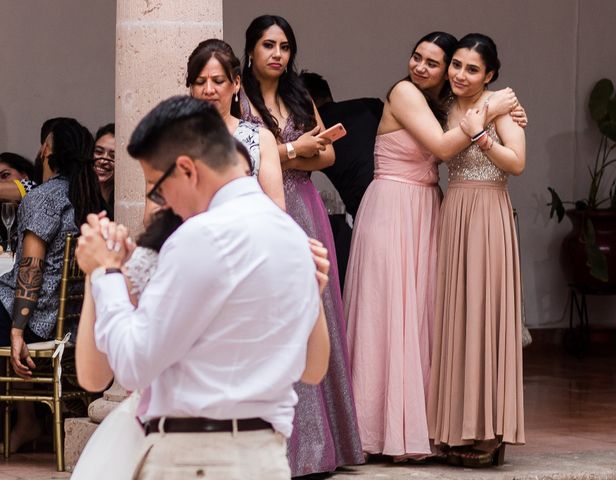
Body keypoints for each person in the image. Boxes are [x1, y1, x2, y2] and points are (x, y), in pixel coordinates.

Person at [74, 95, 330, 478]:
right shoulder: (292, 236)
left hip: (197, 459)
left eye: (158, 188)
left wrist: (106, 272)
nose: (161, 203)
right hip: (266, 457)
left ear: (187, 170)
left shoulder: (202, 235)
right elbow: (310, 368)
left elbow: (131, 366)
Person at [343, 31, 525, 461]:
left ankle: (426, 427)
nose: (421, 67)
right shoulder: (405, 92)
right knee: (387, 316)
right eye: (417, 57)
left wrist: (490, 110)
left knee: (423, 317)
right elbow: (446, 146)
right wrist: (491, 107)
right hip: (392, 207)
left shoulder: (443, 106)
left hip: (428, 210)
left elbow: (489, 145)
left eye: (433, 62)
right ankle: (377, 430)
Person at [239, 14, 363, 476]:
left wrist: (296, 150)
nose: (277, 54)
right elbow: (245, 155)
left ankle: (322, 447)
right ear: (250, 49)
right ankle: (274, 447)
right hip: (260, 208)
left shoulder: (298, 94)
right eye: (268, 45)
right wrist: (291, 151)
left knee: (317, 314)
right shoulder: (238, 96)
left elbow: (329, 153)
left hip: (306, 209)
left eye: (285, 46)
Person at [427, 33, 526, 467]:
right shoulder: (448, 106)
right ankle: (455, 425)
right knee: (457, 317)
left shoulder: (503, 108)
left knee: (484, 316)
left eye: (472, 69)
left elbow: (517, 163)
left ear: (489, 75)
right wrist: (477, 117)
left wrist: (481, 134)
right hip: (455, 212)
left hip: (488, 211)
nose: (460, 74)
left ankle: (489, 431)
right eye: (457, 65)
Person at [0, 118, 102, 452]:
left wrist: (17, 331)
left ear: (47, 148)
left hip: (39, 323)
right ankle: (26, 418)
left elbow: (31, 269)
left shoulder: (43, 198)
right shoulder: (89, 196)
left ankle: (25, 419)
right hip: (73, 321)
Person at [301, 72, 383, 288]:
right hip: (397, 199)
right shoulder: (370, 106)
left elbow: (299, 179)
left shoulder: (317, 135)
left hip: (361, 213)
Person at [187, 38, 285, 210]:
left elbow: (277, 211)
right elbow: (153, 217)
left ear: (236, 83)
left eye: (218, 81)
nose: (209, 90)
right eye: (200, 82)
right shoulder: (172, 141)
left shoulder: (261, 139)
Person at [93, 123, 116, 217]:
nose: (103, 161)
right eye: (98, 152)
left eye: (113, 156)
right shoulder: (78, 195)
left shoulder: (123, 201)